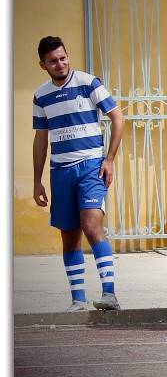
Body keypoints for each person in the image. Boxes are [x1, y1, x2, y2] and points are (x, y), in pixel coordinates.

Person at [33, 36, 125, 312]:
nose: (60, 64)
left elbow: (118, 118)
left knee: (91, 226)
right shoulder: (41, 95)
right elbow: (40, 139)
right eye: (53, 61)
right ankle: (78, 300)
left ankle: (109, 294)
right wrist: (37, 180)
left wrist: (109, 159)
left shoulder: (88, 83)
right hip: (60, 171)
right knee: (69, 234)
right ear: (43, 65)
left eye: (63, 58)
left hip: (90, 167)